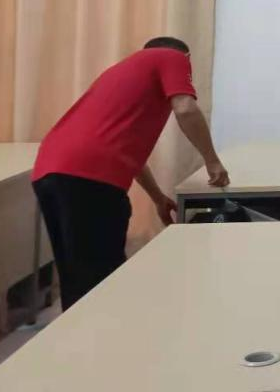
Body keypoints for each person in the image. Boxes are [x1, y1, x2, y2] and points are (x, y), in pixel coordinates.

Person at [31, 37, 229, 310]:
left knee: (75, 275)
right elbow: (185, 108)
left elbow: (129, 157)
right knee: (101, 279)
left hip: (50, 169)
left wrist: (158, 198)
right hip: (88, 176)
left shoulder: (121, 72)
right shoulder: (172, 58)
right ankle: (102, 334)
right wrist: (212, 161)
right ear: (186, 58)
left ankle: (79, 334)